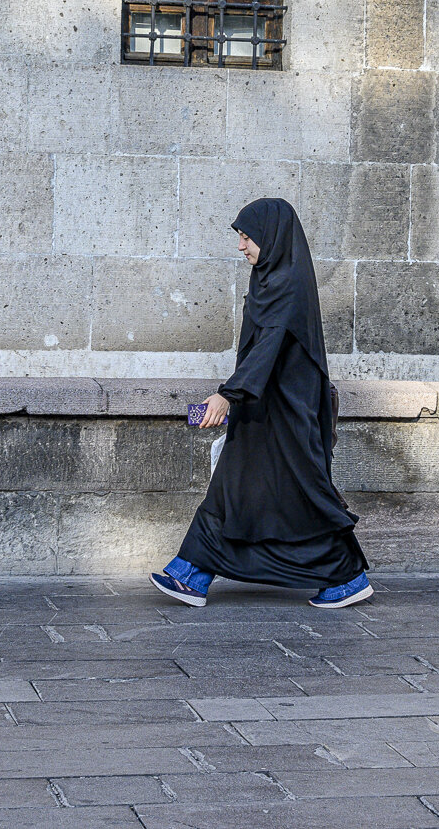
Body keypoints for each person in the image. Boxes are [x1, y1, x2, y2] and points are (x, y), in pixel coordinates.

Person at [150, 199, 373, 609]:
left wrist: (228, 394)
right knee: (238, 489)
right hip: (263, 410)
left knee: (302, 493)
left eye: (247, 237)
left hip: (287, 414)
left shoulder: (287, 284)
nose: (241, 246)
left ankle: (345, 575)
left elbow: (267, 347)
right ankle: (191, 572)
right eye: (240, 236)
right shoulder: (270, 279)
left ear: (270, 237)